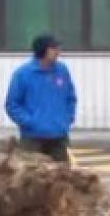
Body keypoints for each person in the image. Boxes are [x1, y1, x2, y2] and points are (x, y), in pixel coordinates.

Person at [5, 33, 77, 165]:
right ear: (43, 50)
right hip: (33, 139)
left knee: (62, 179)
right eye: (54, 48)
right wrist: (30, 122)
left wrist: (68, 118)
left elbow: (70, 97)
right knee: (33, 179)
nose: (58, 51)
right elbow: (12, 105)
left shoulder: (62, 70)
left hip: (59, 136)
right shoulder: (23, 74)